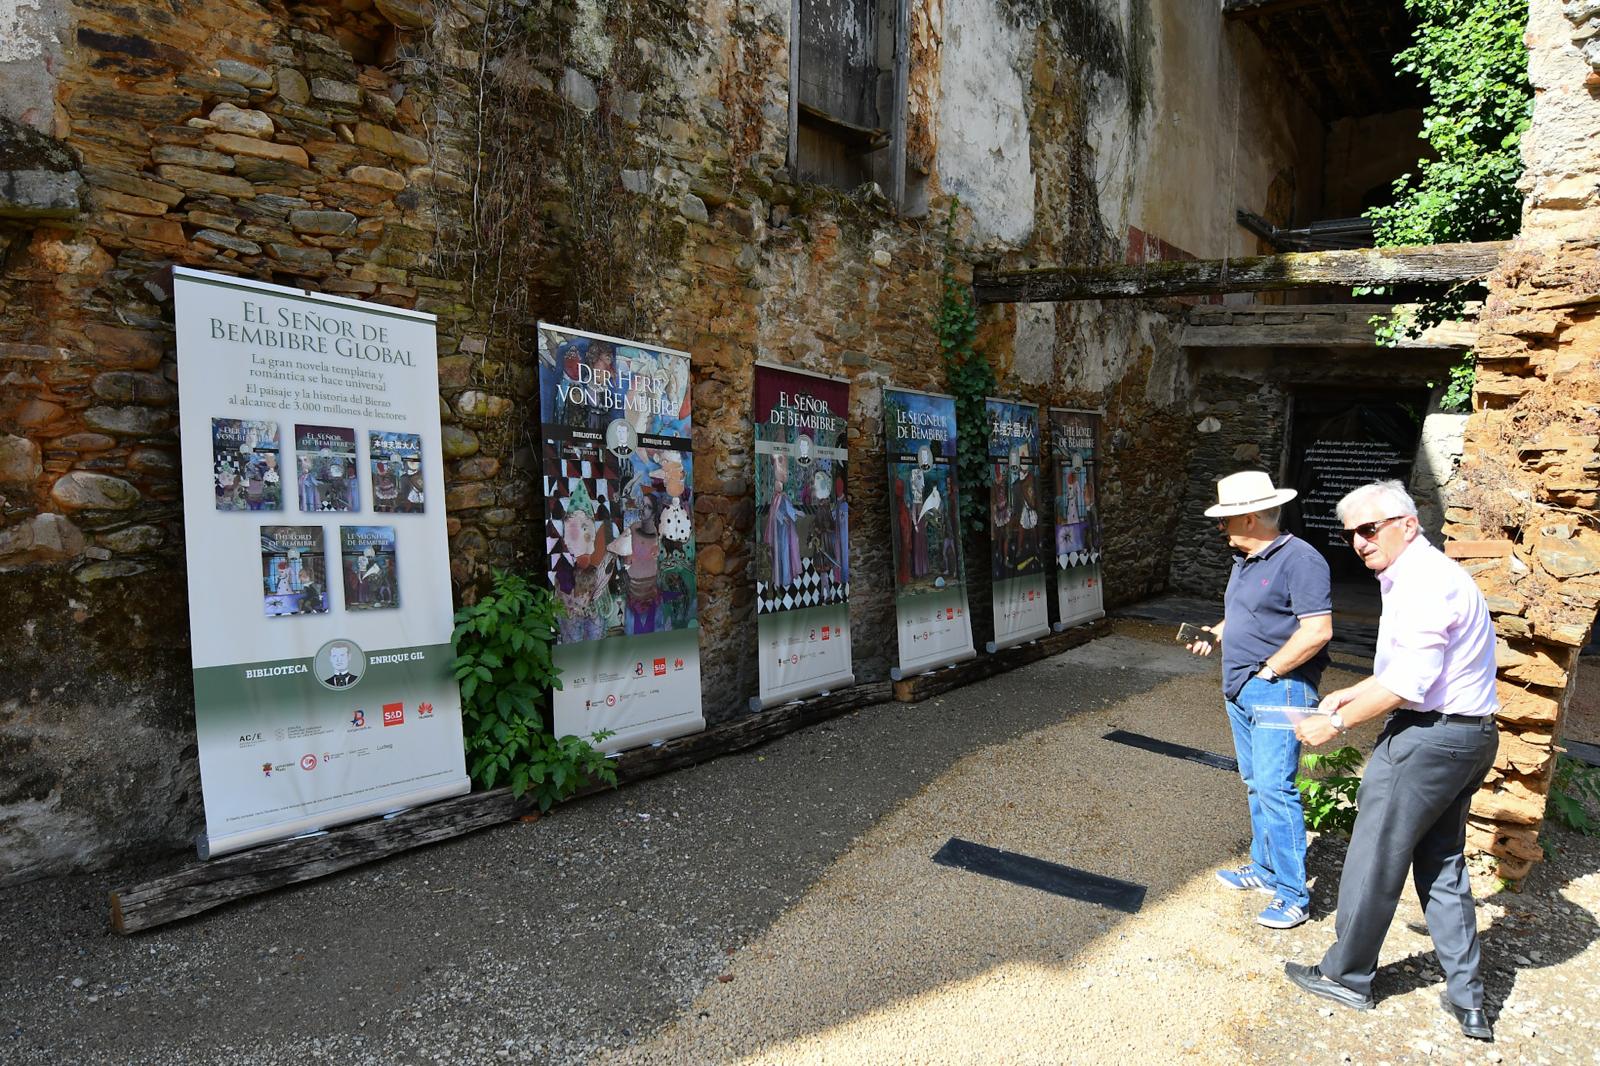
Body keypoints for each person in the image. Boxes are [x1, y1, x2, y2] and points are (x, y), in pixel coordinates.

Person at [1284, 480, 1499, 1041]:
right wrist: (1348, 694)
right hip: (1468, 737)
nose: (1358, 541)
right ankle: (1468, 998)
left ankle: (1346, 976)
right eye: (1350, 532)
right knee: (1443, 862)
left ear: (1408, 524)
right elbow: (1416, 671)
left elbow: (1410, 683)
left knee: (1374, 859)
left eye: (1369, 528)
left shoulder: (1423, 584)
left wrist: (1332, 723)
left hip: (1427, 742)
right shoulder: (1429, 576)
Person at [1187, 470, 1332, 929]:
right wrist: (1216, 634)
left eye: (1225, 520)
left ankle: (1293, 895)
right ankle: (1266, 870)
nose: (1220, 529)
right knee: (1256, 783)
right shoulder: (1246, 560)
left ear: (1249, 519)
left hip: (1278, 688)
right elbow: (1246, 615)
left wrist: (1270, 670)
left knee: (1276, 788)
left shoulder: (1302, 560)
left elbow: (1318, 631)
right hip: (1243, 687)